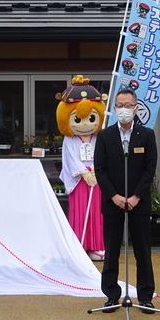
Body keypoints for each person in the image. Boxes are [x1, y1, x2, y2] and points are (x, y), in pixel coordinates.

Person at [94, 89, 158, 313]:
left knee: (143, 251)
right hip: (113, 203)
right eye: (119, 105)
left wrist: (136, 196)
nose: (123, 109)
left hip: (139, 203)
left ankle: (146, 296)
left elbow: (150, 169)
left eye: (127, 105)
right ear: (114, 109)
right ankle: (111, 295)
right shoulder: (105, 136)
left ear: (136, 108)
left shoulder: (147, 135)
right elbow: (99, 170)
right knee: (111, 251)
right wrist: (115, 196)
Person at [56, 75, 107, 261]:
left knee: (97, 212)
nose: (85, 124)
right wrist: (84, 172)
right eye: (77, 119)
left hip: (96, 178)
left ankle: (96, 246)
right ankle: (78, 246)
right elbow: (69, 159)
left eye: (91, 119)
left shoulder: (99, 138)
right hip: (79, 180)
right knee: (78, 211)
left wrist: (95, 169)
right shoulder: (69, 140)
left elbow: (103, 155)